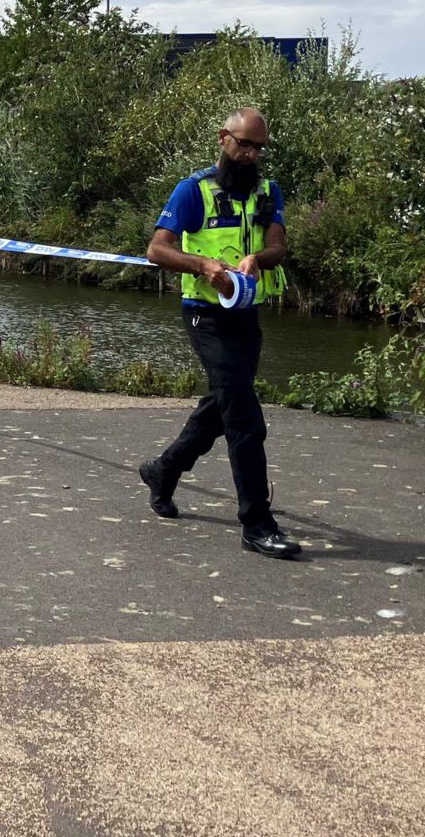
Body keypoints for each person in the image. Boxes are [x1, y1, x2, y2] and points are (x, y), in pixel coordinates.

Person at [140, 107, 302, 559]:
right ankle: (257, 523)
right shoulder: (193, 191)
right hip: (204, 315)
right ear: (223, 139)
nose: (250, 154)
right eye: (244, 144)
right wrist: (204, 265)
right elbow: (157, 249)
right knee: (245, 417)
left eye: (258, 147)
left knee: (223, 404)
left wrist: (259, 260)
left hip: (245, 314)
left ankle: (163, 469)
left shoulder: (269, 192)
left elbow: (278, 246)